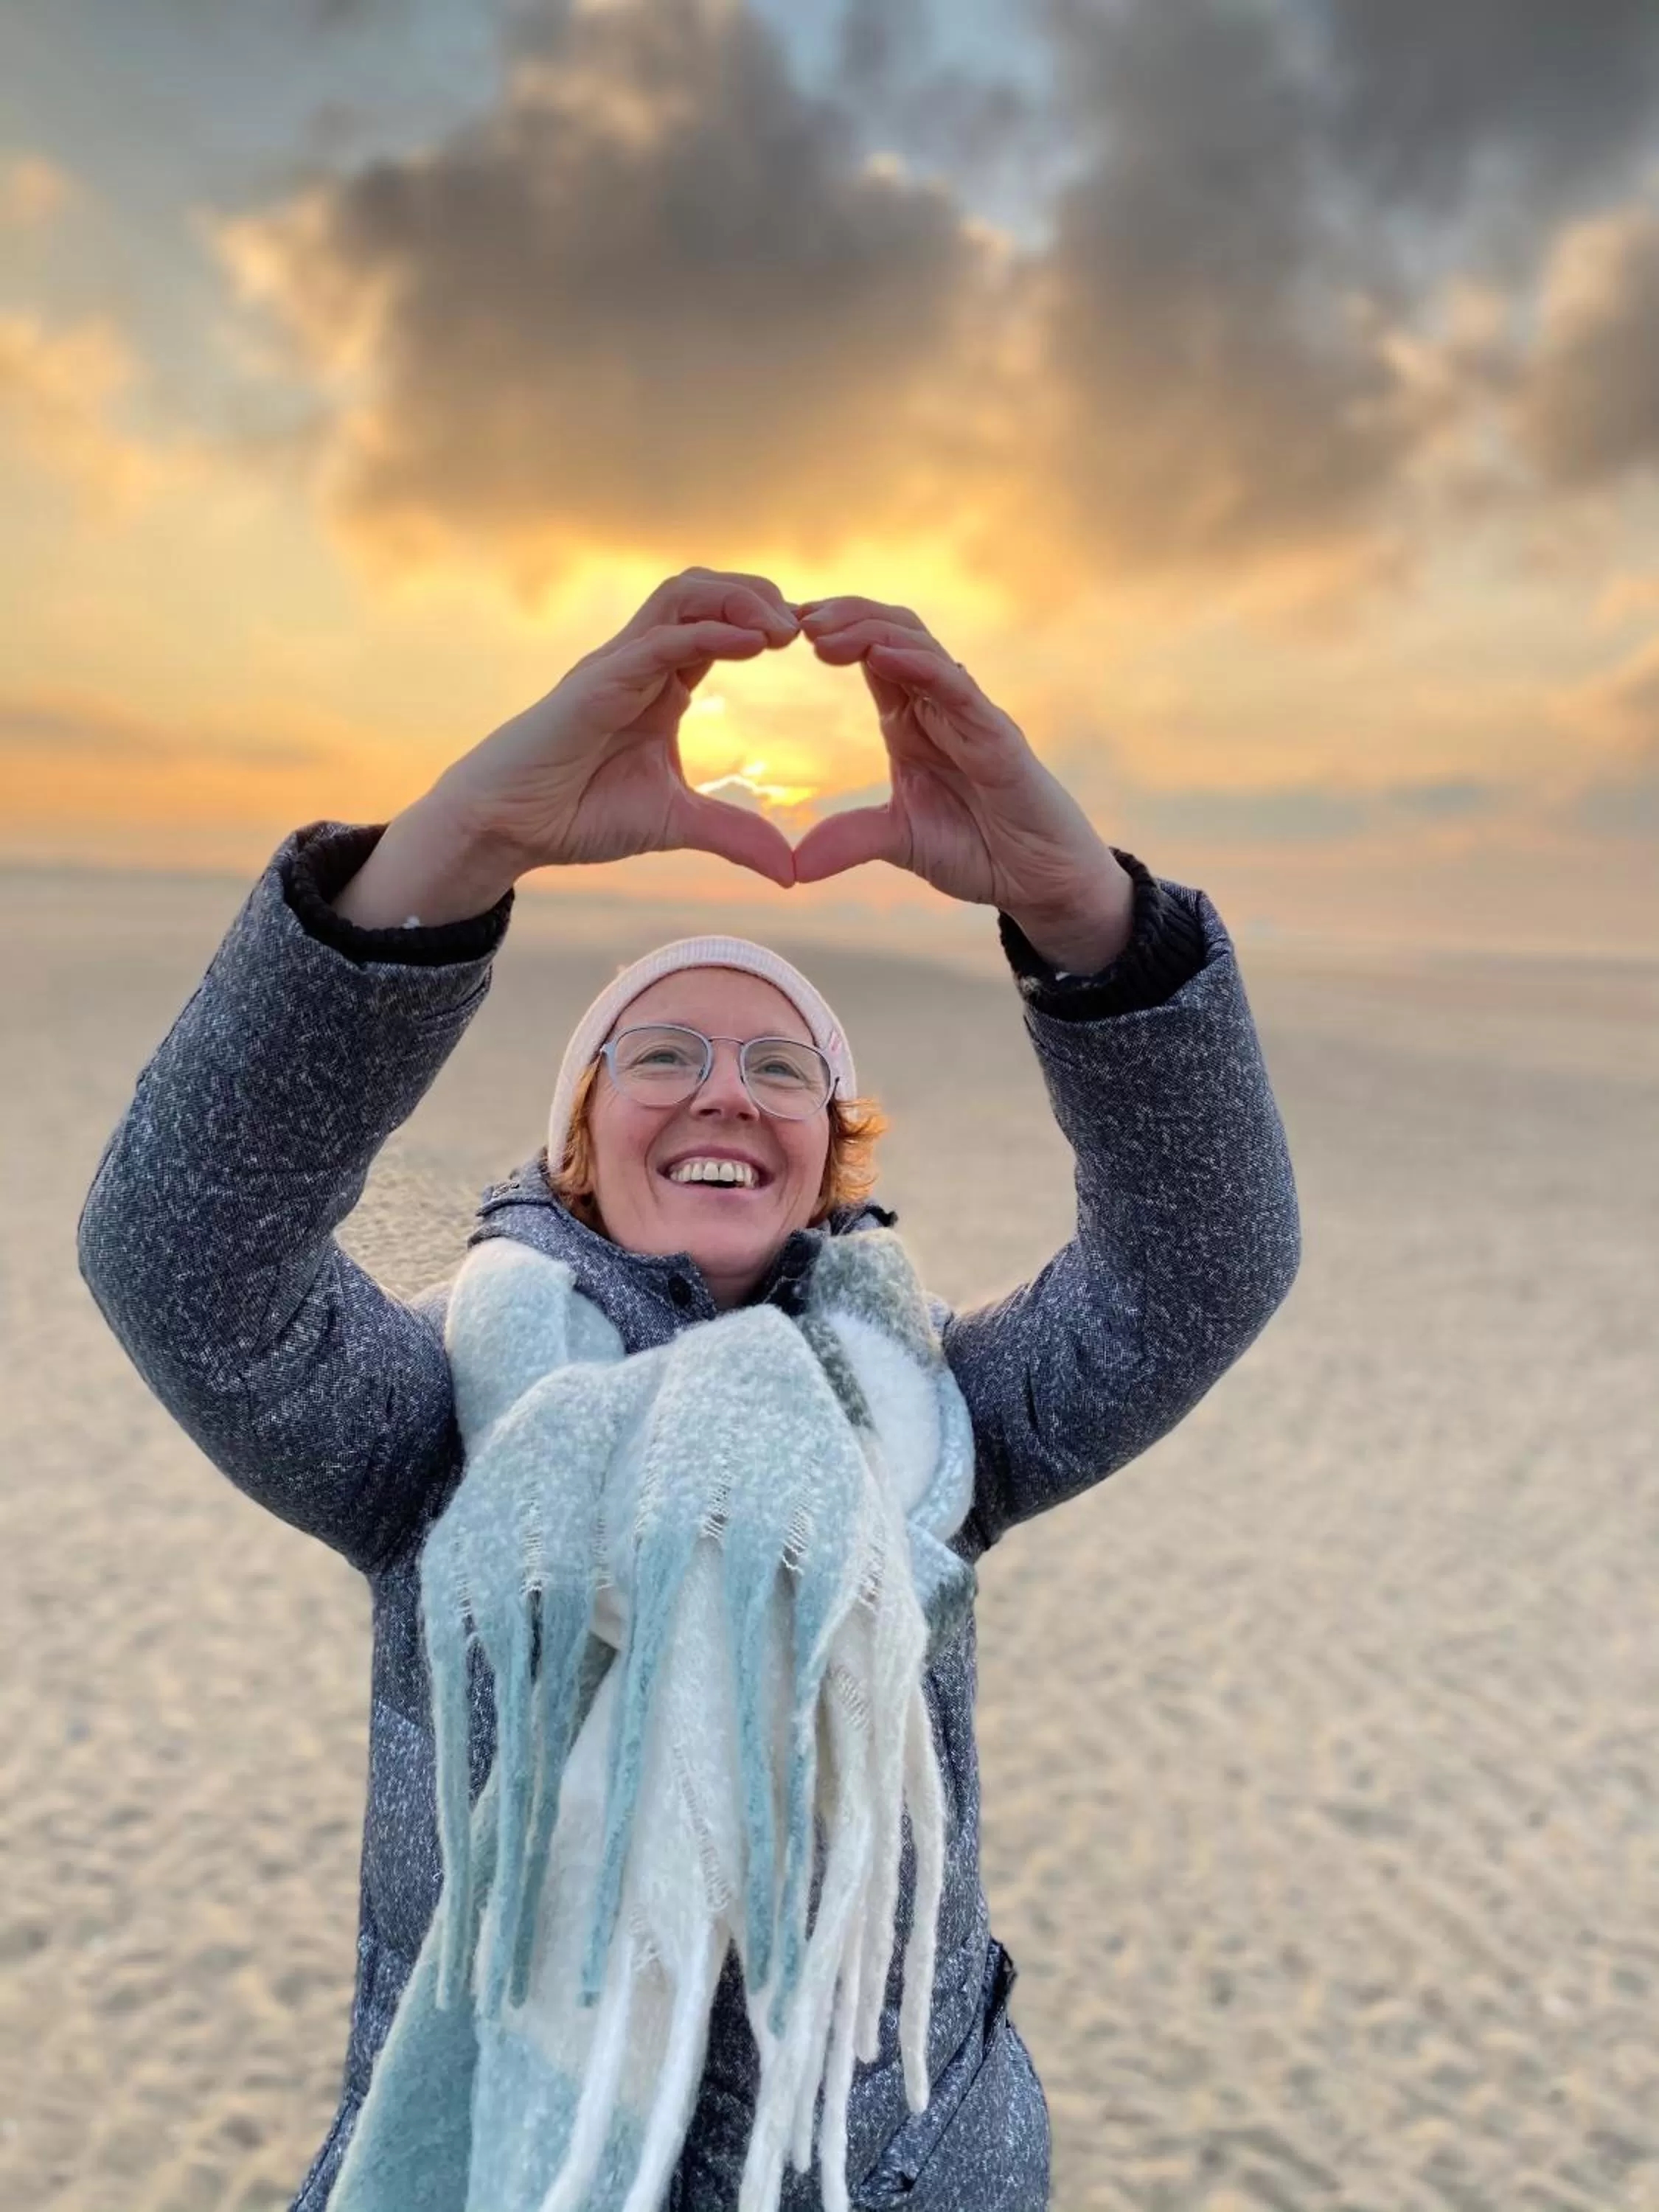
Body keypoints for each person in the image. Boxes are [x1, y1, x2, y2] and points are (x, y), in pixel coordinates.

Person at [77, 569, 1301, 2211]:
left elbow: (1204, 1265)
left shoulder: (935, 1422)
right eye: (661, 1054)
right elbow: (178, 1251)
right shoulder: (439, 1423)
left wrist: (1083, 912)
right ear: (579, 1145)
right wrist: (458, 844)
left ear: (829, 1151)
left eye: (780, 1065)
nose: (724, 1086)